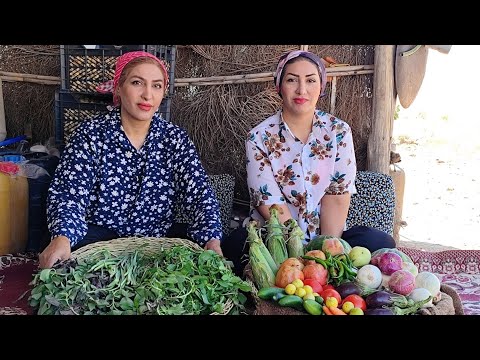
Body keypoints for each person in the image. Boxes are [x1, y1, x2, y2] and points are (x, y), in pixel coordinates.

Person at [39, 51, 223, 269]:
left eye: (156, 85)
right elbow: (69, 192)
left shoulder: (175, 139)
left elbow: (199, 193)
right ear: (118, 87)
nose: (147, 95)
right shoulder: (92, 134)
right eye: (137, 82)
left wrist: (212, 239)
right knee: (65, 262)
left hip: (155, 241)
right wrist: (63, 236)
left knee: (198, 262)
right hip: (99, 239)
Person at [221, 50, 395, 275]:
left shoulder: (337, 132)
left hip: (325, 236)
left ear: (321, 86)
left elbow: (337, 197)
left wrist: (327, 252)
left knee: (381, 242)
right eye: (292, 80)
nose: (302, 90)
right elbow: (269, 203)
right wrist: (297, 256)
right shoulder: (259, 137)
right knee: (234, 247)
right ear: (279, 86)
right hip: (275, 236)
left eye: (310, 80)